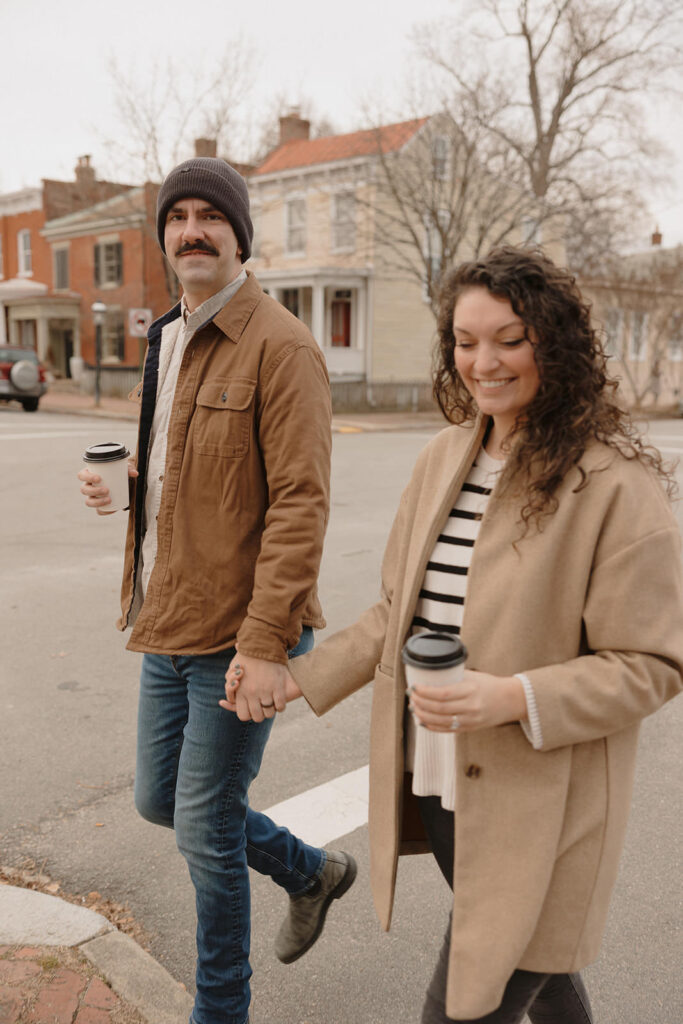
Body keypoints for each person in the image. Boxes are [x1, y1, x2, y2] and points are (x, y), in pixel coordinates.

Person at [224, 246, 683, 1023]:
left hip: (543, 804)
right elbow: (397, 611)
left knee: (472, 994)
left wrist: (510, 696)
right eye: (465, 342)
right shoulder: (445, 455)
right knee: (537, 964)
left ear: (555, 343)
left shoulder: (614, 485)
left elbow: (651, 664)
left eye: (508, 338)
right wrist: (297, 675)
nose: (484, 362)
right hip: (439, 777)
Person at [78, 156, 356, 1024]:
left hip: (243, 634)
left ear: (239, 235)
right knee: (158, 801)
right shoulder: (171, 335)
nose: (191, 230)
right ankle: (310, 869)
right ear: (164, 236)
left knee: (203, 827)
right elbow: (189, 471)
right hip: (171, 616)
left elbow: (300, 505)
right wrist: (126, 486)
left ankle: (219, 1010)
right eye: (177, 217)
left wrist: (265, 643)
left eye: (210, 216)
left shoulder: (283, 345)